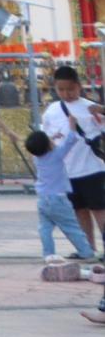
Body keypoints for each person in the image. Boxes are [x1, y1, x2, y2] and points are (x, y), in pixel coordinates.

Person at [38, 64, 105, 270]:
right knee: (79, 211)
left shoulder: (90, 107)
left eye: (70, 89)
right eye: (61, 90)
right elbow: (45, 136)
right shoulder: (51, 111)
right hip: (67, 172)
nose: (66, 94)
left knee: (100, 210)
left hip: (92, 169)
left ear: (78, 86)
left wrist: (101, 113)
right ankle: (88, 248)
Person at [28, 128, 99, 268]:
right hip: (59, 199)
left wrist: (52, 137)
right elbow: (69, 142)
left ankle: (48, 254)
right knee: (71, 227)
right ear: (48, 145)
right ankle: (86, 252)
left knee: (45, 228)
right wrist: (72, 127)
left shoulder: (36, 158)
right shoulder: (56, 155)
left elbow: (41, 146)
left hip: (43, 199)